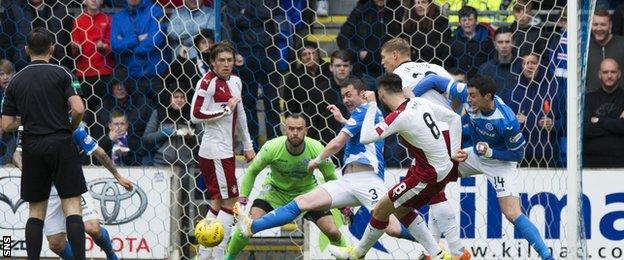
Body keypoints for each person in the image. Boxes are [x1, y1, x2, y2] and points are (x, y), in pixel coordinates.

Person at [235, 78, 427, 254]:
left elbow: (337, 143)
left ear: (362, 94)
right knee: (302, 202)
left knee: (392, 228)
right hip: (348, 181)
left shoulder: (366, 110)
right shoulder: (363, 115)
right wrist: (344, 121)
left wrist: (316, 160)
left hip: (369, 181)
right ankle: (252, 226)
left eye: (349, 95)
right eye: (343, 96)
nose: (345, 100)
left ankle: (431, 245)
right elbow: (362, 135)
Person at [411, 74, 555, 260]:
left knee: (511, 212)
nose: (468, 100)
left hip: (501, 162)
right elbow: (433, 80)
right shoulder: (467, 95)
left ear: (488, 97)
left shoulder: (507, 121)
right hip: (476, 154)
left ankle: (547, 256)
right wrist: (410, 100)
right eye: (468, 95)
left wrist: (491, 153)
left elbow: (518, 155)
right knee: (437, 178)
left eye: (473, 96)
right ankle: (432, 251)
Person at [328, 73, 464, 259]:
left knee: (381, 210)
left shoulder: (400, 116)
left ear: (382, 94)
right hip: (439, 169)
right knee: (400, 209)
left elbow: (366, 137)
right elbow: (454, 119)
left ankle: (357, 255)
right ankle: (439, 255)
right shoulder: (419, 103)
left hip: (427, 175)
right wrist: (454, 153)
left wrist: (371, 106)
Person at [1, 27, 87, 260]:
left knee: (35, 212)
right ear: (53, 48)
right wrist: (69, 126)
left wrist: (30, 118)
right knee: (72, 208)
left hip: (33, 146)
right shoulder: (62, 73)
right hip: (61, 142)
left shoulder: (16, 80)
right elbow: (78, 108)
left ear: (26, 49)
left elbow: (6, 123)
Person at [379, 38, 469, 259]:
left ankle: (456, 252)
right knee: (435, 192)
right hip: (449, 132)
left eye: (383, 58)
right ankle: (436, 252)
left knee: (428, 194)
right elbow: (458, 96)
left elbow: (399, 113)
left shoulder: (395, 81)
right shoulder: (434, 67)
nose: (382, 63)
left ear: (395, 56)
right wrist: (450, 116)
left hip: (429, 138)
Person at [225, 114, 345, 259]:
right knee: (247, 226)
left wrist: (342, 205)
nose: (295, 133)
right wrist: (243, 199)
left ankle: (350, 256)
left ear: (306, 131)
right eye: (291, 128)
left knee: (332, 231)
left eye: (299, 129)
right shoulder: (272, 147)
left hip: (307, 194)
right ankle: (228, 258)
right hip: (275, 192)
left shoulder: (317, 148)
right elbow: (252, 171)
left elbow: (331, 177)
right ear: (284, 130)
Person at [13, 123, 134, 260]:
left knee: (92, 228)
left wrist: (117, 176)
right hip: (47, 190)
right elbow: (17, 154)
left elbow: (98, 151)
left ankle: (111, 255)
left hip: (71, 184)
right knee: (56, 244)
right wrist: (26, 168)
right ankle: (5, 250)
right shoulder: (27, 125)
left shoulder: (68, 125)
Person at [190, 41, 255, 259]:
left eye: (230, 60)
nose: (227, 64)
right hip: (214, 152)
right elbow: (195, 114)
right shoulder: (206, 83)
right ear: (212, 63)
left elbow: (242, 114)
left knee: (218, 203)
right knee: (232, 204)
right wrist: (226, 110)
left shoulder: (236, 81)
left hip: (226, 151)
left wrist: (248, 145)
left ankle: (204, 256)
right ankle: (218, 256)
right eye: (222, 61)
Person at [71, 0, 115, 111]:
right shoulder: (78, 21)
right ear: (84, 1)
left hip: (104, 72)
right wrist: (76, 48)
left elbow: (113, 46)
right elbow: (74, 51)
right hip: (84, 73)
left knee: (105, 108)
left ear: (102, 1)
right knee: (85, 108)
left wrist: (104, 47)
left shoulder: (108, 20)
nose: (94, 0)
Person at [583, 58, 624, 167]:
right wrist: (616, 124)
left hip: (621, 162)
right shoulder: (588, 99)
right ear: (599, 74)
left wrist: (598, 120)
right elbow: (585, 129)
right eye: (605, 72)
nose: (609, 76)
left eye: (613, 72)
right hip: (591, 162)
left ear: (619, 74)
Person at [395, 0, 450, 66]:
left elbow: (444, 51)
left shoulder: (440, 23)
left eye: (423, 2)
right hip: (413, 66)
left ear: (430, 4)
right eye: (416, 3)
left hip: (435, 66)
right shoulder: (407, 24)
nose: (419, 6)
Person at [477, 26, 521, 105]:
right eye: (500, 42)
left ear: (514, 43)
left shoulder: (522, 67)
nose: (504, 46)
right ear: (494, 44)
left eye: (507, 42)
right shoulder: (485, 69)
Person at [448, 5, 494, 79]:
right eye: (464, 20)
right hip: (459, 83)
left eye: (470, 19)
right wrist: (455, 75)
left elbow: (492, 62)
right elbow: (447, 64)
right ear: (459, 22)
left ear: (476, 21)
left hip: (481, 83)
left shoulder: (486, 41)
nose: (467, 22)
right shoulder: (453, 41)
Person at [587, 10, 624, 92]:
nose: (599, 28)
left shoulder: (622, 44)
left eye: (603, 25)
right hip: (591, 102)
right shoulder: (584, 48)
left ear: (610, 25)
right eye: (595, 24)